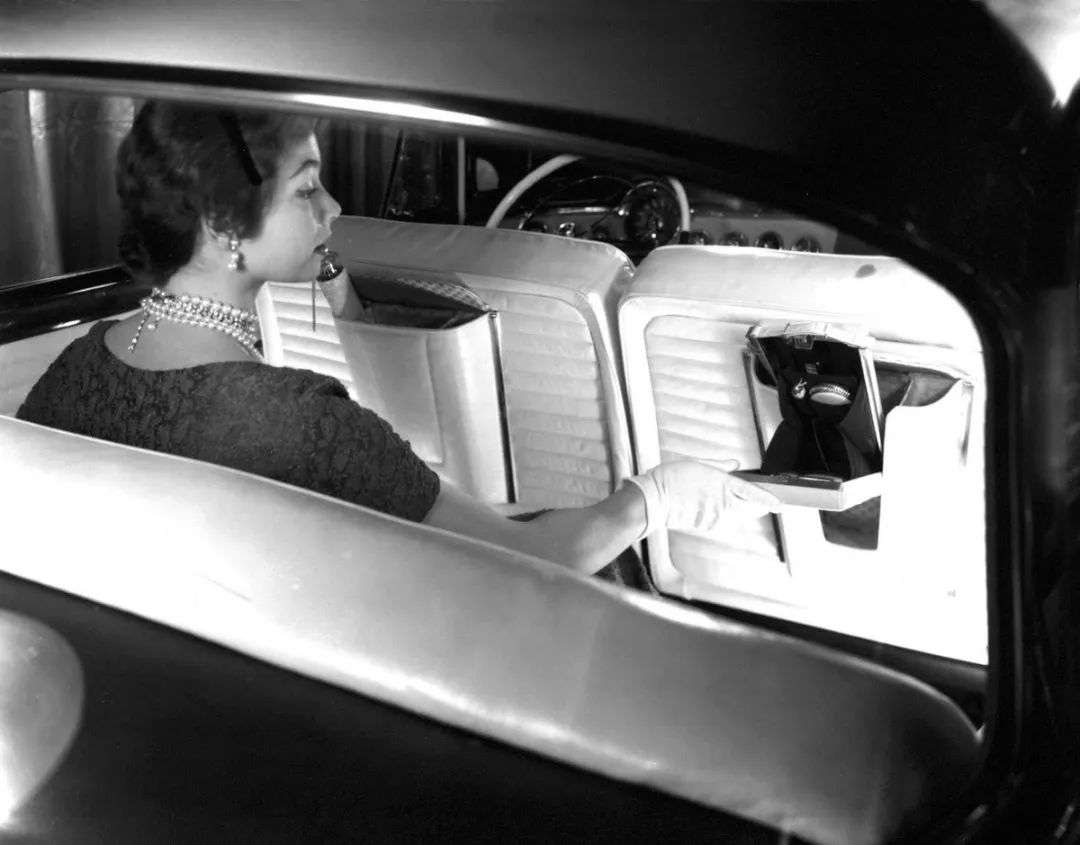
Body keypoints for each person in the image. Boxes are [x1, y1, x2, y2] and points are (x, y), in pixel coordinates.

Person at [16, 101, 779, 574]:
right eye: (307, 188)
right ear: (223, 226)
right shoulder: (300, 423)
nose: (333, 207)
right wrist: (651, 498)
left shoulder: (73, 367)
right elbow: (538, 561)